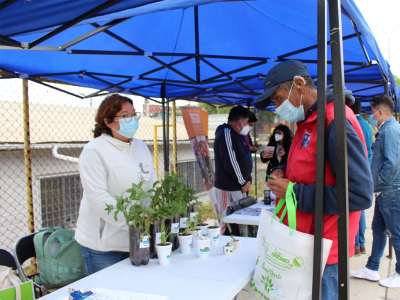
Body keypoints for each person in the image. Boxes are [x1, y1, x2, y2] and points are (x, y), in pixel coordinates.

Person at [254, 60, 373, 299]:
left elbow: (358, 194)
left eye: (278, 99)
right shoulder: (307, 121)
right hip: (304, 240)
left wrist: (295, 192)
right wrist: (285, 171)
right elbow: (312, 164)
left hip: (324, 247)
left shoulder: (335, 122)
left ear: (299, 84)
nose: (277, 107)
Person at [75, 94, 158, 275]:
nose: (133, 120)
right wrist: (134, 222)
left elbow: (152, 183)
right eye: (125, 115)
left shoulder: (141, 146)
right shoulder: (94, 151)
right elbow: (98, 198)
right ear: (108, 121)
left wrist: (150, 216)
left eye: (134, 115)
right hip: (104, 245)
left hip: (136, 237)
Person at [350, 94, 400, 288]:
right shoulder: (386, 129)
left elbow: (392, 164)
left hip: (390, 190)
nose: (371, 116)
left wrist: (377, 184)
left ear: (379, 112)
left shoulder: (390, 131)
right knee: (378, 231)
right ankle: (371, 268)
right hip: (384, 191)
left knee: (396, 233)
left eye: (372, 112)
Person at [214, 106, 252, 231]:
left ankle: (238, 247)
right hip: (229, 188)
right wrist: (242, 182)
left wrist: (248, 179)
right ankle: (225, 248)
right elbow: (231, 162)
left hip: (240, 187)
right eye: (247, 122)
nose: (248, 126)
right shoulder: (226, 133)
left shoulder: (238, 135)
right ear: (239, 122)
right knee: (227, 222)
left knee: (240, 223)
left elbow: (245, 158)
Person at [349, 97, 373, 256]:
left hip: (357, 168)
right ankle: (361, 244)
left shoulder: (351, 124)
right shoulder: (367, 125)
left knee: (356, 208)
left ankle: (356, 244)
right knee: (362, 210)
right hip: (367, 165)